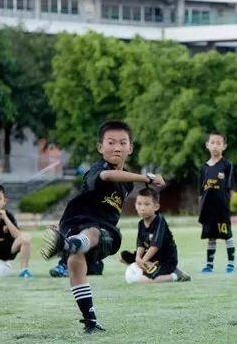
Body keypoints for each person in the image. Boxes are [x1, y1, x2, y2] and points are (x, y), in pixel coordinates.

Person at [41, 120, 165, 333]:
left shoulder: (126, 183)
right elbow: (107, 176)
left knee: (79, 254)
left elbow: (121, 178)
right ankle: (74, 245)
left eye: (122, 142)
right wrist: (147, 178)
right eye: (110, 142)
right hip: (78, 220)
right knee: (86, 245)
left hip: (101, 230)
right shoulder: (99, 168)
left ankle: (71, 247)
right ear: (100, 147)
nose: (117, 147)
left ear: (130, 148)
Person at [119, 187, 190, 283]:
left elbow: (155, 246)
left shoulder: (160, 221)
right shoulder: (141, 223)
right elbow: (140, 244)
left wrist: (143, 260)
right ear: (135, 205)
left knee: (147, 280)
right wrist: (138, 258)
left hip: (165, 260)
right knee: (122, 256)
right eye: (139, 204)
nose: (142, 208)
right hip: (151, 257)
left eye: (147, 204)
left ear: (156, 207)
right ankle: (147, 266)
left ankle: (176, 275)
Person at [199, 132, 235, 274]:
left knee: (227, 236)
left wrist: (226, 205)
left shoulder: (227, 165)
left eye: (218, 143)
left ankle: (231, 264)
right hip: (208, 210)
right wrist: (201, 208)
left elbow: (230, 188)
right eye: (212, 142)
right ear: (207, 145)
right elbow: (200, 192)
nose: (215, 146)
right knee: (211, 237)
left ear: (224, 146)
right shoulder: (204, 168)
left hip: (222, 209)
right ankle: (209, 265)